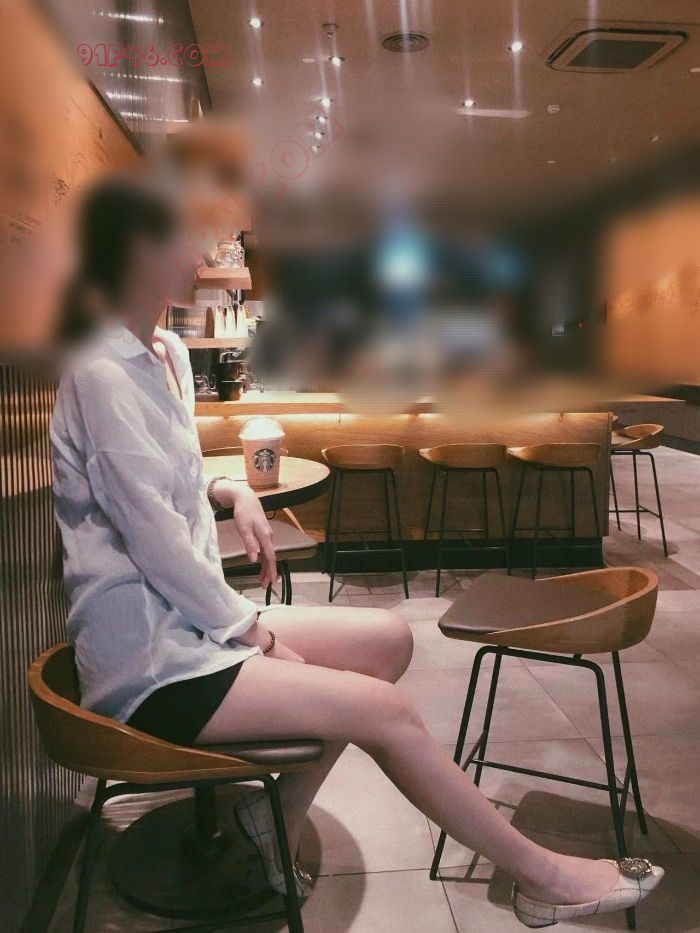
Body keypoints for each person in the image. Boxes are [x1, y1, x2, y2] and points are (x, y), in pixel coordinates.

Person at [50, 176, 662, 927]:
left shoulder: (167, 352)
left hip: (189, 626)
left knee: (385, 640)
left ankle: (267, 821)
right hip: (150, 661)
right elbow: (154, 541)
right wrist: (256, 634)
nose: (206, 252)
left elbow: (159, 477)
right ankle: (543, 878)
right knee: (382, 709)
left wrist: (229, 489)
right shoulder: (100, 369)